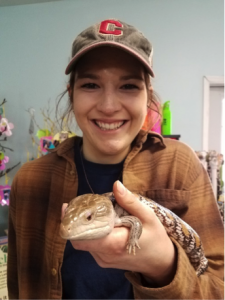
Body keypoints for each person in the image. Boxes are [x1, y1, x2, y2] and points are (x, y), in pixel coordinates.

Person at [7, 19, 225, 300]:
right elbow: (18, 284)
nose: (109, 106)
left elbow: (218, 287)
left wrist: (163, 267)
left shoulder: (179, 166)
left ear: (148, 96)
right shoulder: (30, 180)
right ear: (72, 94)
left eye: (129, 86)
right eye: (90, 84)